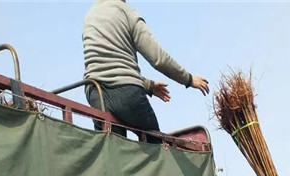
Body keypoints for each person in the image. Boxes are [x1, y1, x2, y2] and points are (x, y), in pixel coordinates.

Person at [82, 0, 209, 139]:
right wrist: (188, 79)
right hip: (126, 93)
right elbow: (158, 58)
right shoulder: (126, 12)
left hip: (95, 94)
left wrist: (147, 85)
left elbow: (107, 65)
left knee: (114, 151)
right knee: (155, 146)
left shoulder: (90, 17)